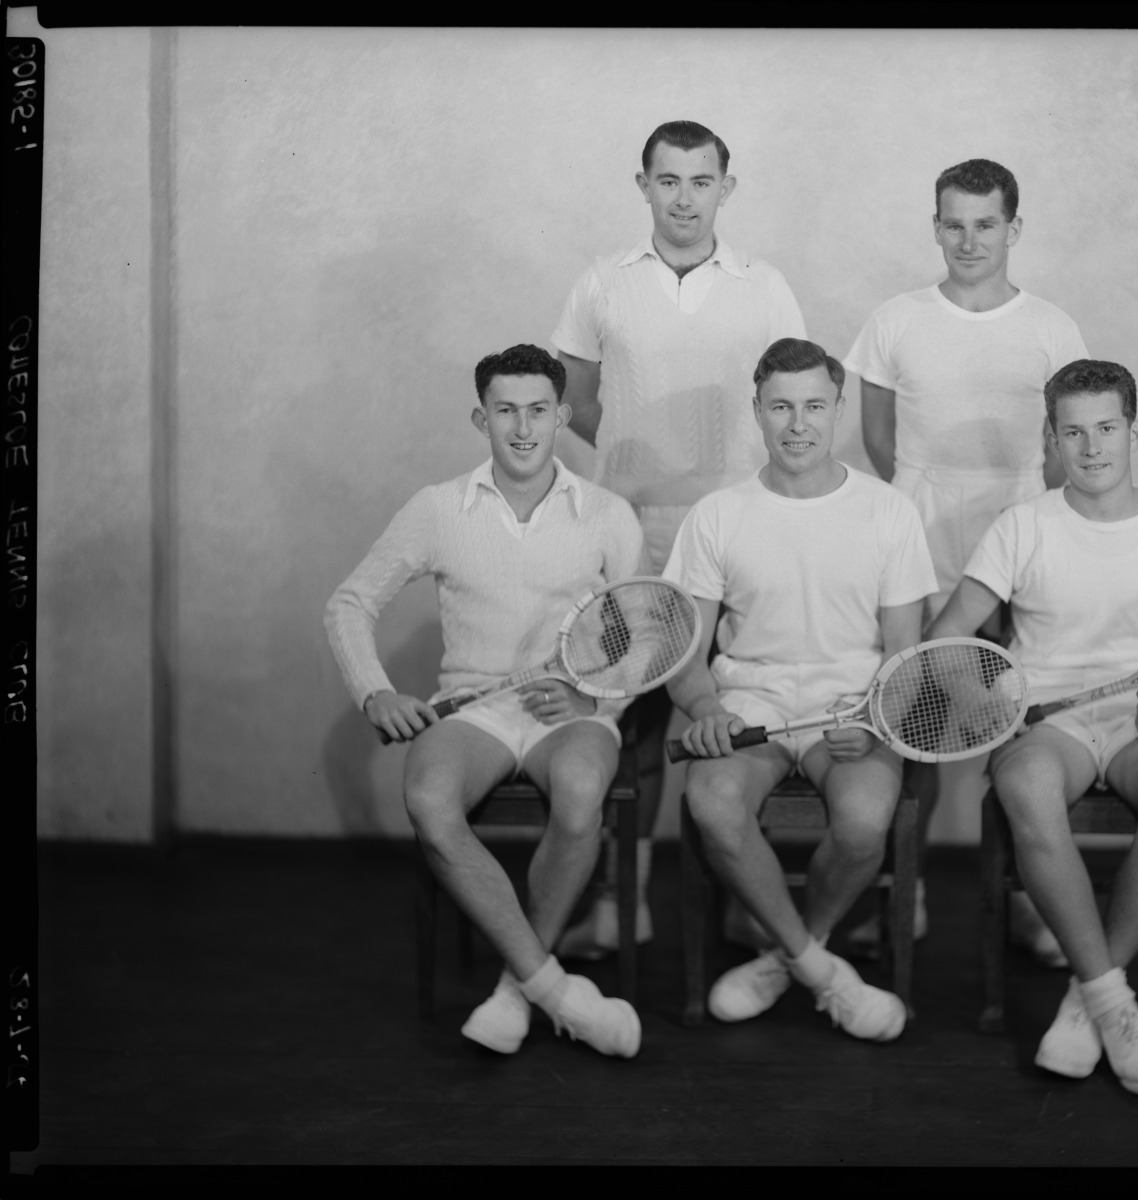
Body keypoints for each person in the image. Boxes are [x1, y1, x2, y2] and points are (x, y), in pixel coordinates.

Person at [324, 344, 645, 1059]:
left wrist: (590, 690)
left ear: (562, 415)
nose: (523, 428)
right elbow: (349, 603)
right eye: (505, 411)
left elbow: (645, 634)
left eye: (538, 411)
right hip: (474, 712)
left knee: (583, 786)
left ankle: (510, 989)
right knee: (430, 802)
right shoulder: (438, 509)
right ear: (481, 417)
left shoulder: (606, 513)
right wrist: (374, 692)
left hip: (574, 713)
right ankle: (549, 990)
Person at [926, 359, 1138, 1096]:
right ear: (1051, 439)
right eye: (1072, 432)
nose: (1091, 448)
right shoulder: (1022, 526)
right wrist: (986, 701)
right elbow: (944, 642)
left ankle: (1089, 995)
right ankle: (1113, 1000)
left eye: (1106, 428)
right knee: (1024, 788)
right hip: (1048, 725)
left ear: (1134, 430)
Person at [551, 120, 808, 957]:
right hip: (634, 532)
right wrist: (639, 459)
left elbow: (787, 398)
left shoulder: (764, 286)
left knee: (730, 715)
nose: (684, 198)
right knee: (631, 725)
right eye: (668, 181)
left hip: (736, 533)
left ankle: (739, 902)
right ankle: (624, 901)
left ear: (725, 189)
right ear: (643, 186)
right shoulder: (601, 283)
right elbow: (578, 402)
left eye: (701, 181)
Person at [843, 158, 1088, 963]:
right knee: (907, 720)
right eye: (953, 223)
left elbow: (1060, 449)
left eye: (986, 224)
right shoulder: (894, 320)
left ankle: (1025, 901)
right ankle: (901, 896)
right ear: (935, 226)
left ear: (1013, 229)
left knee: (1015, 726)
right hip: (917, 555)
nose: (968, 239)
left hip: (1017, 555)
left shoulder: (1052, 327)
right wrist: (924, 512)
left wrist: (1014, 533)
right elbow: (879, 441)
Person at [662, 337, 937, 1040]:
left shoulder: (887, 513)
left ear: (838, 408)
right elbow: (685, 654)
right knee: (712, 804)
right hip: (749, 701)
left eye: (814, 405)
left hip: (854, 703)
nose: (797, 423)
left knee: (863, 825)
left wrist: (879, 720)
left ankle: (788, 954)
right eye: (780, 406)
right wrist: (703, 708)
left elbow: (905, 654)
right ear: (756, 410)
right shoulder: (717, 515)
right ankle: (821, 970)